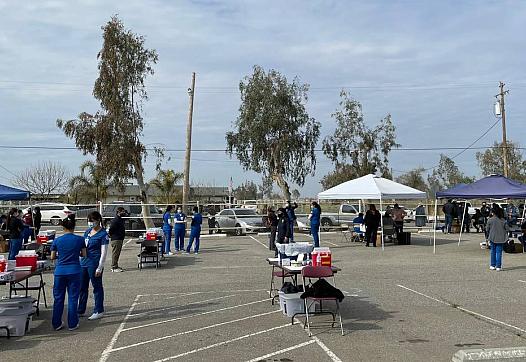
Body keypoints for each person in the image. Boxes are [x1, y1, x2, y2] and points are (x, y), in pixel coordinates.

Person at [50, 215, 86, 331]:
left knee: (58, 298)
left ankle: (56, 323)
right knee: (73, 297)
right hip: (75, 270)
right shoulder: (80, 239)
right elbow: (84, 254)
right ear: (74, 227)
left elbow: (52, 256)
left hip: (60, 271)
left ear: (62, 226)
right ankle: (72, 323)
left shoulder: (57, 240)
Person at [78, 211, 109, 320]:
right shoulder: (87, 232)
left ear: (98, 221)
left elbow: (104, 252)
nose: (90, 223)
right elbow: (83, 247)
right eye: (89, 221)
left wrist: (100, 267)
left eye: (92, 221)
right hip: (83, 262)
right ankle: (81, 309)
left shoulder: (103, 234)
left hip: (94, 263)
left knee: (97, 287)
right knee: (82, 287)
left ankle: (99, 310)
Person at [487, 205, 509, 271]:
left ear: (493, 212)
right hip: (501, 238)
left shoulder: (490, 220)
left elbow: (487, 229)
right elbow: (507, 229)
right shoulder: (503, 220)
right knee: (499, 252)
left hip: (492, 237)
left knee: (492, 251)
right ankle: (498, 266)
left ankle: (492, 265)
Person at [108, 207, 126, 272]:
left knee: (117, 253)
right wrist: (111, 234)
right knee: (115, 253)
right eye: (123, 212)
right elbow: (111, 229)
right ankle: (114, 267)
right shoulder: (116, 220)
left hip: (119, 239)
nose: (124, 213)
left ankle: (115, 265)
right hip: (116, 239)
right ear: (119, 212)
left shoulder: (120, 219)